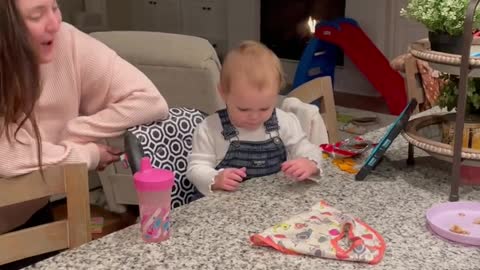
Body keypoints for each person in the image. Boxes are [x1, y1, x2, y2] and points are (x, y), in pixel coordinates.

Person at [0, 0, 168, 237]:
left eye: (55, 8)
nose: (55, 23)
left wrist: (76, 132)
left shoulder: (66, 41)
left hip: (31, 213)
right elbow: (8, 156)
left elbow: (150, 101)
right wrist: (88, 154)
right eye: (37, 16)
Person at [187, 40, 324, 196]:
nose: (254, 117)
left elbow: (308, 149)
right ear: (223, 92)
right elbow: (195, 168)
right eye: (243, 109)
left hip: (270, 201)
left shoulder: (285, 122)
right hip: (223, 206)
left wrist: (309, 162)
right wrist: (215, 178)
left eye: (265, 108)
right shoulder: (210, 128)